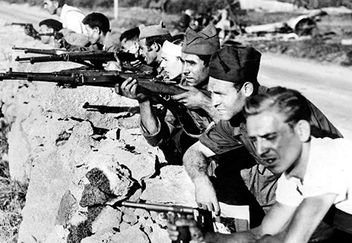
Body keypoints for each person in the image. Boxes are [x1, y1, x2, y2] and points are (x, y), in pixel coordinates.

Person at [179, 45, 342, 230]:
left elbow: (324, 170)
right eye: (212, 92)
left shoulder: (283, 111)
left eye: (220, 94)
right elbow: (194, 152)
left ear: (246, 89)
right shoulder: (235, 119)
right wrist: (201, 181)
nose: (214, 102)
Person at [169, 87, 352, 242]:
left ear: (302, 130)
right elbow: (261, 233)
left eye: (270, 136)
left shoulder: (325, 160)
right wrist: (205, 236)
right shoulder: (291, 178)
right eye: (255, 139)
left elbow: (291, 239)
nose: (261, 149)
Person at [117, 25, 220, 164]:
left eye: (191, 64)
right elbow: (157, 138)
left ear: (211, 64)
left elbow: (241, 135)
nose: (185, 70)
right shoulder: (185, 89)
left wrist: (205, 103)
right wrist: (143, 101)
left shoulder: (232, 89)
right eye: (183, 62)